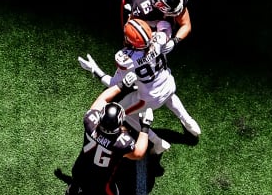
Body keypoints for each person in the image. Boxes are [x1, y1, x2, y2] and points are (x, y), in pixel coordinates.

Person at [78, 18, 201, 147]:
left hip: (150, 98)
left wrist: (95, 70)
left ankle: (157, 142)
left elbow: (113, 85)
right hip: (169, 84)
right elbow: (164, 24)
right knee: (168, 94)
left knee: (122, 113)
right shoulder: (160, 38)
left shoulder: (126, 59)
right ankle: (188, 121)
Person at [58, 72, 155, 195]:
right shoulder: (121, 143)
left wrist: (121, 85)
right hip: (100, 184)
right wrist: (145, 126)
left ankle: (72, 193)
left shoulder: (90, 122)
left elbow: (102, 99)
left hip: (80, 168)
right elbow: (139, 153)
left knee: (77, 179)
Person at [121, 0, 191, 51]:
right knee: (138, 36)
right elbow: (131, 27)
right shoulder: (142, 8)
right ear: (159, 6)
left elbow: (186, 25)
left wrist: (174, 41)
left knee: (166, 27)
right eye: (173, 12)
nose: (177, 14)